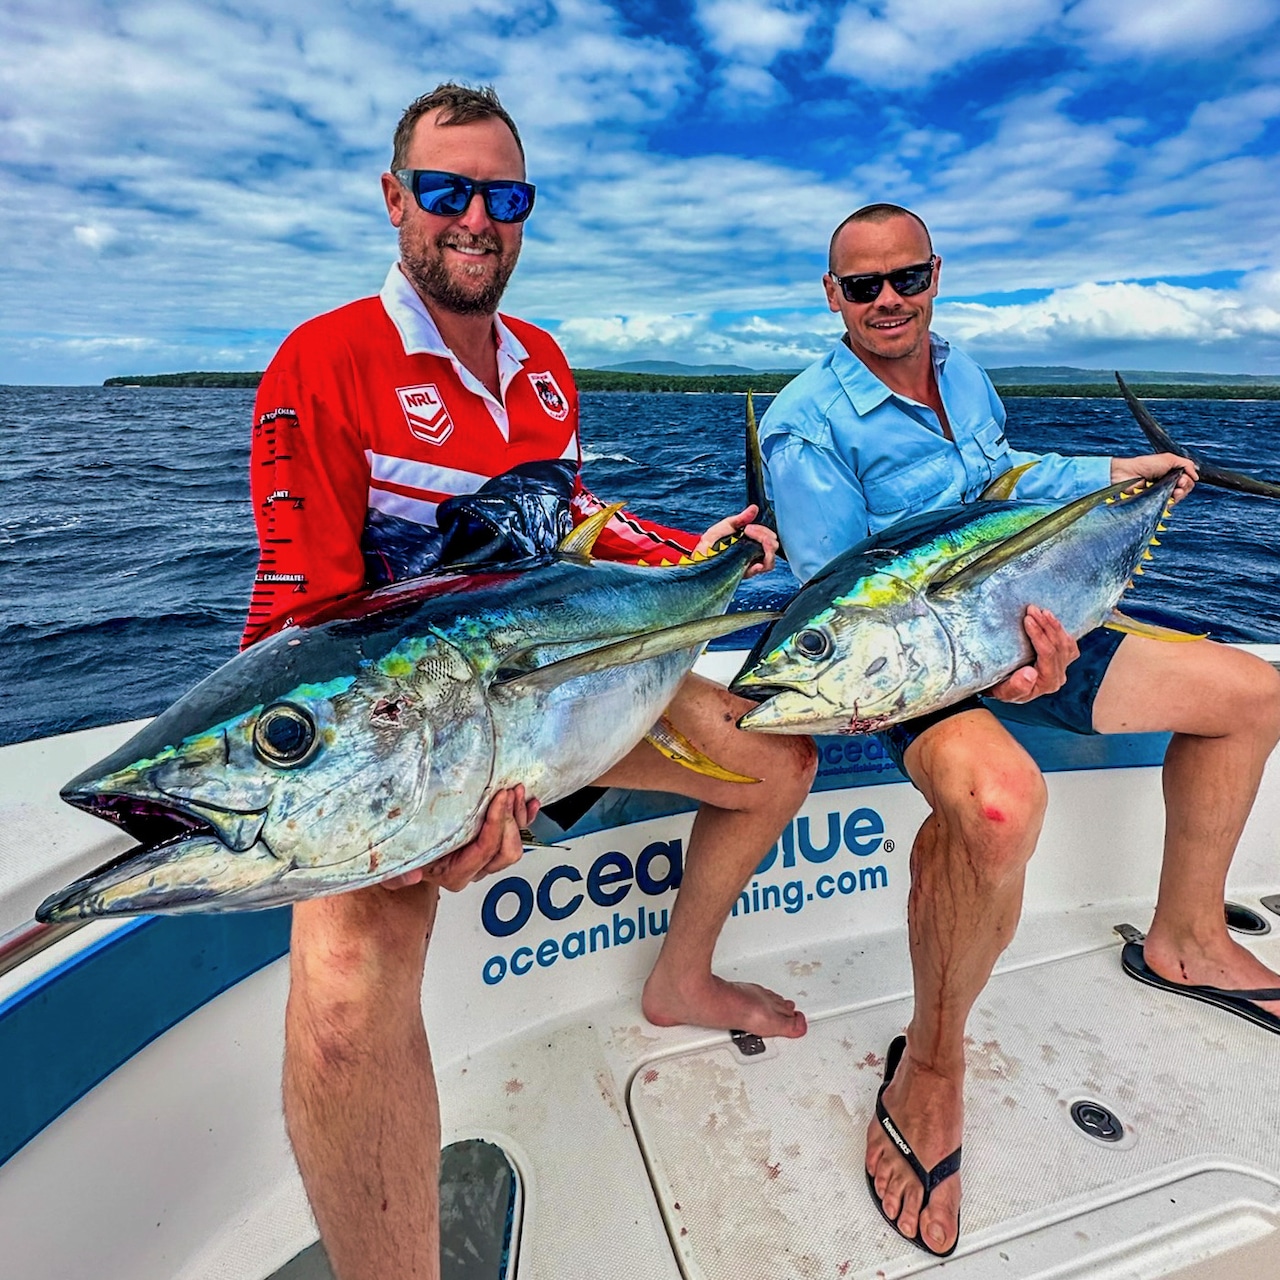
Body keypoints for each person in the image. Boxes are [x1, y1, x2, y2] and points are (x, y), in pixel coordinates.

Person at [243, 83, 816, 1280]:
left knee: (776, 758)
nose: (473, 219)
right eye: (445, 191)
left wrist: (693, 555)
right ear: (395, 200)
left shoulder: (542, 365)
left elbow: (567, 523)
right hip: (422, 729)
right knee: (345, 997)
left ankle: (680, 975)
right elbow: (301, 610)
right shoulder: (325, 359)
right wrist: (424, 807)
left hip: (561, 694)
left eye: (501, 197)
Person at [758, 202, 1280, 1258]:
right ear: (831, 297)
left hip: (1027, 620)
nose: (888, 299)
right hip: (914, 671)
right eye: (863, 286)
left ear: (935, 275)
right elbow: (841, 599)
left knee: (1249, 695)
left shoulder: (961, 369)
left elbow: (1008, 479)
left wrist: (1117, 478)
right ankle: (932, 1062)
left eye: (905, 276)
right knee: (998, 804)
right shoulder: (805, 422)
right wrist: (986, 674)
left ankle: (1184, 940)